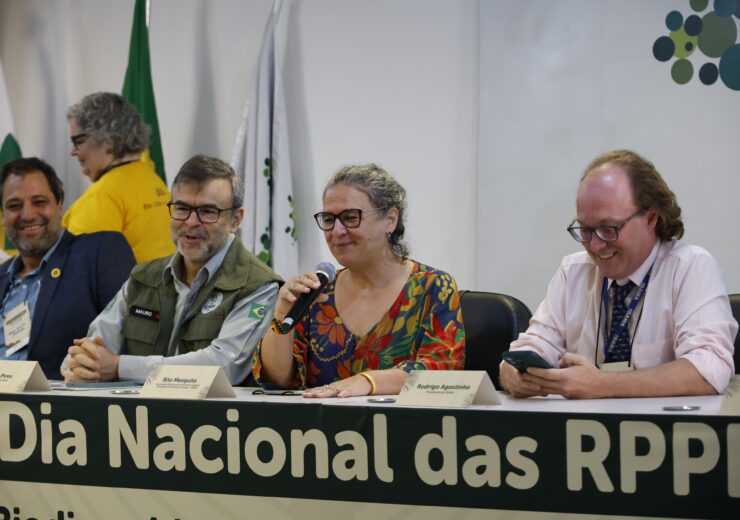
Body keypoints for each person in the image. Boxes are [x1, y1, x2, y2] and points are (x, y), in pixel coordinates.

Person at [501, 150, 737, 399]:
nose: (595, 245)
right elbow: (533, 346)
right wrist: (511, 373)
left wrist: (602, 384)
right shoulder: (573, 271)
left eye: (609, 228)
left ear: (651, 218)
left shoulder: (691, 267)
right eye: (585, 229)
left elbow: (709, 370)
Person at [62, 154, 282, 384]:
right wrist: (82, 365)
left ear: (236, 219)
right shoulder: (144, 277)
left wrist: (120, 367)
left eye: (207, 212)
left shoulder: (258, 286)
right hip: (137, 407)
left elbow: (223, 367)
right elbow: (86, 354)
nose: (191, 222)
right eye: (182, 208)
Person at [255, 163, 465, 397]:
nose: (337, 231)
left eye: (350, 217)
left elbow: (443, 373)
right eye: (328, 219)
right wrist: (282, 315)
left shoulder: (432, 287)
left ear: (390, 219)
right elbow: (277, 380)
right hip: (318, 422)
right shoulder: (318, 293)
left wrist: (368, 381)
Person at [0, 157, 135, 379]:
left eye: (39, 202)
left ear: (60, 204)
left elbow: (129, 338)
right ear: (3, 215)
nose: (28, 214)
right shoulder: (2, 276)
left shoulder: (99, 252)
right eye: (14, 206)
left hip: (63, 398)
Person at [64, 92, 175, 263]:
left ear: (107, 141)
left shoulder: (101, 197)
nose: (73, 151)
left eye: (78, 141)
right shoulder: (152, 180)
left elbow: (77, 269)